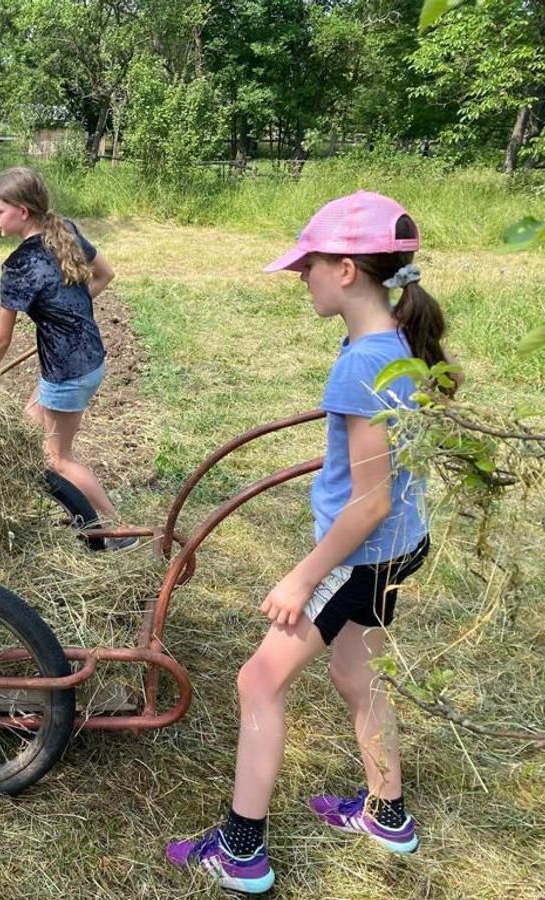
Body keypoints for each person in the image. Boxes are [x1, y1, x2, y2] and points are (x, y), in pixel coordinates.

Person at [166, 191, 457, 893]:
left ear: (349, 270)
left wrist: (303, 577)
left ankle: (240, 851)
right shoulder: (390, 348)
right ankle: (387, 813)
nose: (303, 277)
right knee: (359, 676)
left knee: (257, 680)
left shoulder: (364, 363)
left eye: (310, 266)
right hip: (398, 547)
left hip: (360, 554)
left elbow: (369, 501)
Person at [0, 166, 134, 548]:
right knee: (23, 430)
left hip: (68, 372)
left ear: (23, 212)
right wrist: (70, 316)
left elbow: (2, 339)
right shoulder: (63, 229)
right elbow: (105, 275)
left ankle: (118, 531)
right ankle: (30, 506)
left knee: (57, 458)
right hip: (87, 357)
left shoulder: (17, 266)